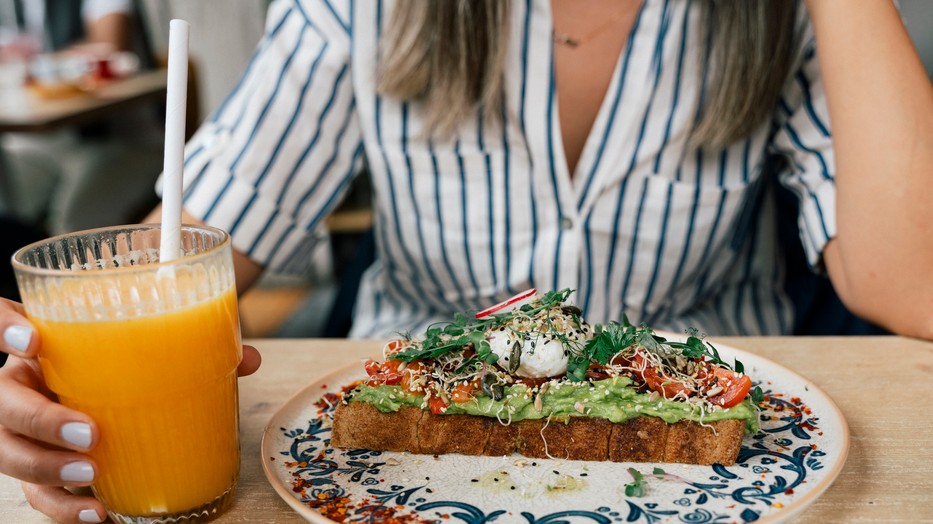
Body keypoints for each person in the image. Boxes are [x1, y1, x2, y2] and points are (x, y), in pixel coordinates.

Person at [1, 0, 931, 521]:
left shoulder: (788, 16)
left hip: (742, 476)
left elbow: (914, 285)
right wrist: (53, 365)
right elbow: (181, 255)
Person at [0, 0, 162, 234]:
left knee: (74, 229)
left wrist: (36, 64)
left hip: (125, 141)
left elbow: (109, 47)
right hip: (53, 143)